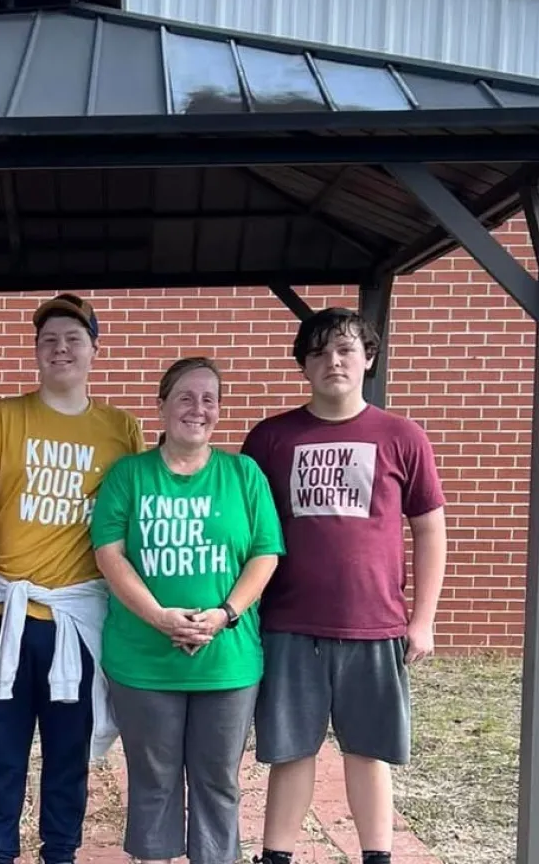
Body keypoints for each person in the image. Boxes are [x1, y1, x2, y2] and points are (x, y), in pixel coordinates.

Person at [240, 307, 448, 864]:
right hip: (288, 624)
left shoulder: (402, 435)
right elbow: (245, 531)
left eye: (346, 350)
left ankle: (376, 855)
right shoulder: (270, 438)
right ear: (304, 365)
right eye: (319, 353)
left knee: (368, 751)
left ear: (368, 359)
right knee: (290, 752)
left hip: (374, 623)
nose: (333, 361)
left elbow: (429, 529)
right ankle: (276, 856)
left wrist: (421, 618)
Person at [0, 293, 146, 864]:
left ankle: (60, 852)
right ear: (36, 352)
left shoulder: (121, 428)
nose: (60, 349)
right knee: (4, 754)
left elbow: (134, 519)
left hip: (77, 619)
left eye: (73, 339)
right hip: (6, 613)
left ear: (93, 349)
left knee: (70, 754)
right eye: (48, 341)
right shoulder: (3, 417)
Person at [90, 356, 284, 864]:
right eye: (185, 396)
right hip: (143, 661)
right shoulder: (129, 475)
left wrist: (225, 613)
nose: (198, 409)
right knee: (153, 781)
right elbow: (109, 553)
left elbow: (265, 553)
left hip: (227, 662)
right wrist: (159, 616)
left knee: (218, 782)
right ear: (161, 406)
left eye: (209, 399)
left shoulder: (244, 474)